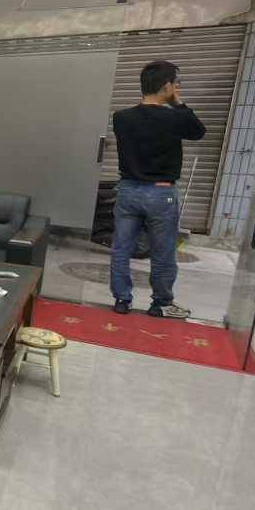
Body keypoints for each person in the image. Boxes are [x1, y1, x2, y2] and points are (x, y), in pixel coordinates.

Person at [110, 59, 206, 318]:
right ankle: (161, 304)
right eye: (176, 84)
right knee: (162, 253)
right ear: (166, 86)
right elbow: (198, 131)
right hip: (161, 194)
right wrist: (178, 103)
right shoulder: (175, 118)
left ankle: (122, 300)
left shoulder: (121, 118)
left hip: (128, 191)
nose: (177, 88)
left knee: (121, 249)